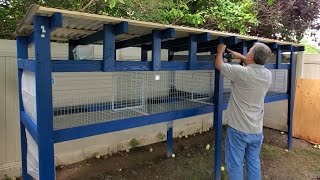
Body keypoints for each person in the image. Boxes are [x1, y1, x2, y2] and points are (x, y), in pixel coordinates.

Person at [215, 43, 272, 180]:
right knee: (253, 163)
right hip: (256, 130)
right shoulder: (267, 75)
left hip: (238, 130)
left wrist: (220, 51)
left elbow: (219, 65)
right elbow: (251, 65)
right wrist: (239, 56)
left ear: (251, 56)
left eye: (249, 51)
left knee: (235, 165)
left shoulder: (241, 72)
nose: (247, 53)